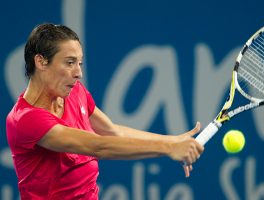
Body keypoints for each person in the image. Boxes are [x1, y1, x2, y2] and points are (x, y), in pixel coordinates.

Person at [6, 23, 204, 199]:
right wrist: (169, 148)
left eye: (79, 63)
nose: (78, 73)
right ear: (41, 62)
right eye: (69, 62)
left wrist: (172, 140)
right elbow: (99, 146)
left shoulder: (75, 92)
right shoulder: (25, 120)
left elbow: (113, 131)